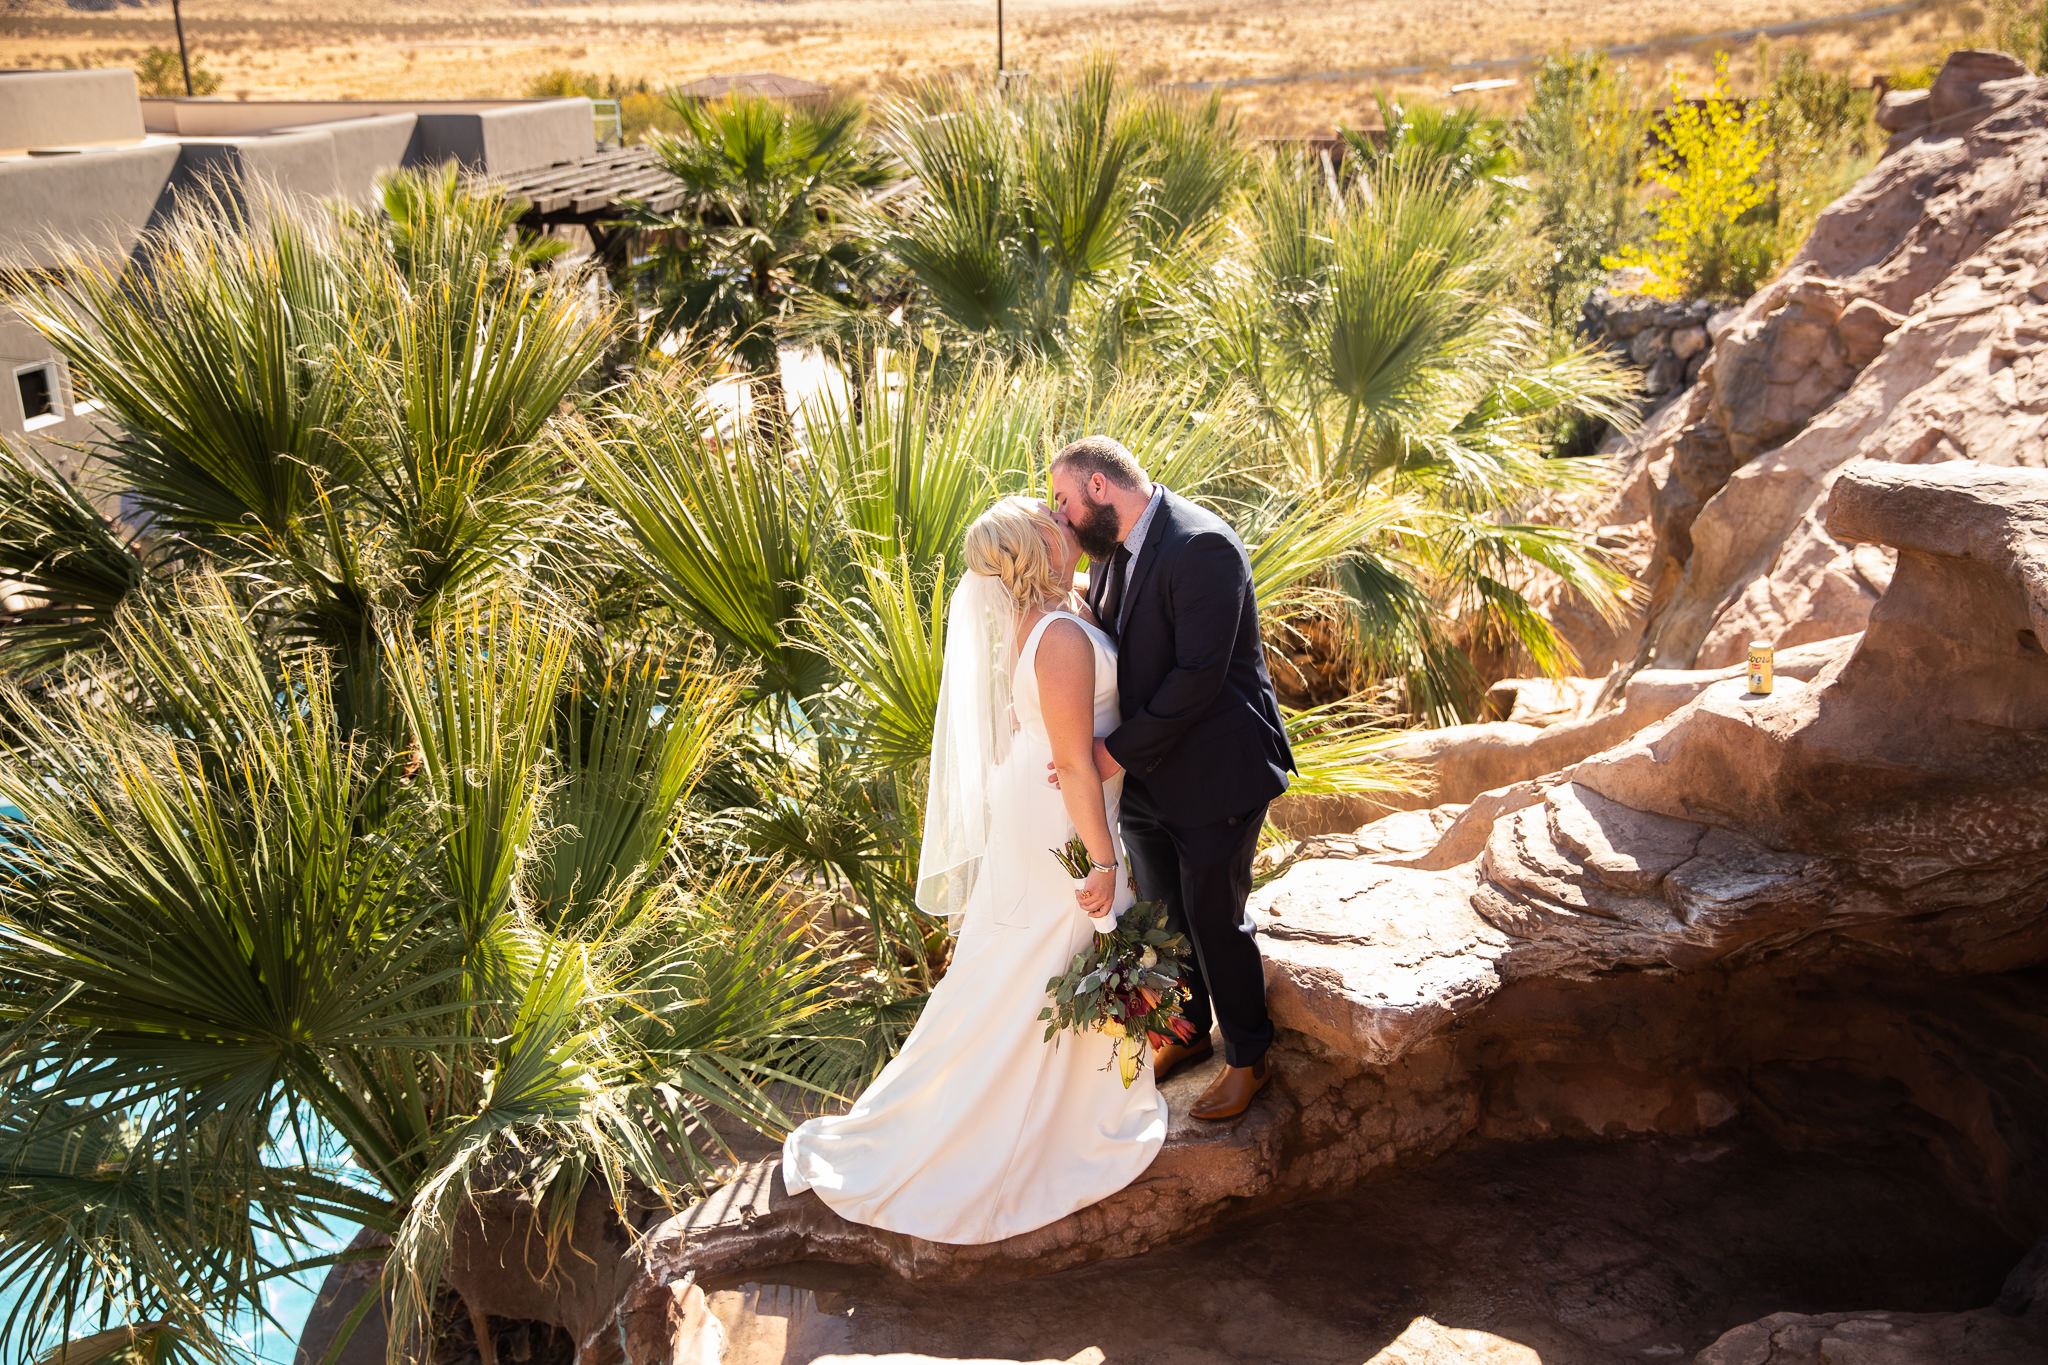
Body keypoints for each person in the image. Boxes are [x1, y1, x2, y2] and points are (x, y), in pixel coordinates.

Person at [781, 496, 1167, 1244]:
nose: (1068, 522)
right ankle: (990, 1134)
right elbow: (1071, 762)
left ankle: (1077, 1104)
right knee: (1033, 963)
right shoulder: (1056, 635)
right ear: (1036, 550)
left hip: (1054, 805)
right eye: (1054, 522)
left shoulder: (1063, 605)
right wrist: (1104, 857)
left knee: (1037, 962)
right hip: (1061, 818)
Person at [1048, 436, 1295, 1122]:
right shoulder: (1113, 555)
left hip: (1217, 771)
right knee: (1165, 917)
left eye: (1064, 501)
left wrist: (1106, 755)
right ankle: (1187, 1037)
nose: (1061, 517)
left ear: (1100, 487)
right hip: (1151, 778)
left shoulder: (1201, 546)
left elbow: (1196, 679)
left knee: (1217, 918)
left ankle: (1249, 1056)